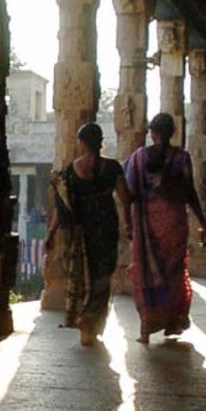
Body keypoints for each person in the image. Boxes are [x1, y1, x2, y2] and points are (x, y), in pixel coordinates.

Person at [124, 113, 206, 344]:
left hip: (146, 225)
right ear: (173, 133)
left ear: (152, 133)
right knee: (172, 273)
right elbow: (190, 193)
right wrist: (203, 222)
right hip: (173, 223)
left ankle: (146, 326)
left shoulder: (137, 160)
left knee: (145, 273)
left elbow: (127, 194)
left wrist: (127, 222)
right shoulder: (181, 158)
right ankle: (172, 320)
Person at [46, 123, 131, 346]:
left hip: (81, 232)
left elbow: (62, 206)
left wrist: (51, 233)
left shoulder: (70, 171)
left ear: (82, 142)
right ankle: (91, 322)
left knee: (82, 274)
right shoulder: (113, 168)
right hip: (106, 229)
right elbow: (125, 197)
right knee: (102, 276)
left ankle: (83, 316)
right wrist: (130, 223)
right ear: (100, 142)